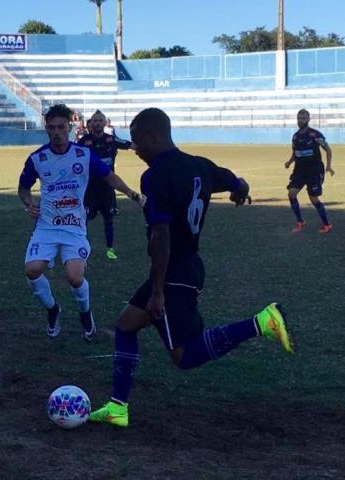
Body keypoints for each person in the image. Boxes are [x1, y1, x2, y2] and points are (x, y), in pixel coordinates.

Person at [89, 108, 294, 428]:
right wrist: (242, 190)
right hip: (185, 267)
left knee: (184, 355)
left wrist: (158, 291)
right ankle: (118, 408)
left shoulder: (155, 175)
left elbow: (161, 234)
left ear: (153, 137)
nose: (136, 148)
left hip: (173, 273)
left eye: (139, 140)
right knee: (126, 325)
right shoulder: (200, 166)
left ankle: (262, 322)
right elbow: (236, 181)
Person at [18, 104, 143, 342]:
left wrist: (131, 193)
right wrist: (28, 203)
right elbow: (24, 187)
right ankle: (53, 310)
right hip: (46, 226)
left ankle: (86, 315)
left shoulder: (83, 155)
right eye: (52, 127)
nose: (57, 132)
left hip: (74, 226)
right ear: (46, 128)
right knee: (32, 270)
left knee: (75, 277)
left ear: (70, 127)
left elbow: (109, 176)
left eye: (61, 127)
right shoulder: (37, 158)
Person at [78, 110, 133, 260]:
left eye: (100, 120)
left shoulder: (111, 139)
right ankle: (82, 249)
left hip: (108, 187)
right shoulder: (83, 142)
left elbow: (130, 145)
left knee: (109, 219)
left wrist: (148, 147)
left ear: (105, 123)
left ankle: (110, 249)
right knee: (84, 220)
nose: (97, 123)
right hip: (89, 188)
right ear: (90, 123)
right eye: (94, 121)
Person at [285, 109, 335, 234]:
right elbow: (295, 152)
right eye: (298, 118)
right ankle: (300, 221)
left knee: (313, 199)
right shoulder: (295, 136)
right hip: (299, 170)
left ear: (308, 119)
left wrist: (328, 166)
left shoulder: (315, 135)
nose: (300, 120)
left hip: (314, 170)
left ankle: (327, 224)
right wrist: (290, 161)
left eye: (303, 118)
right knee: (291, 194)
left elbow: (328, 149)